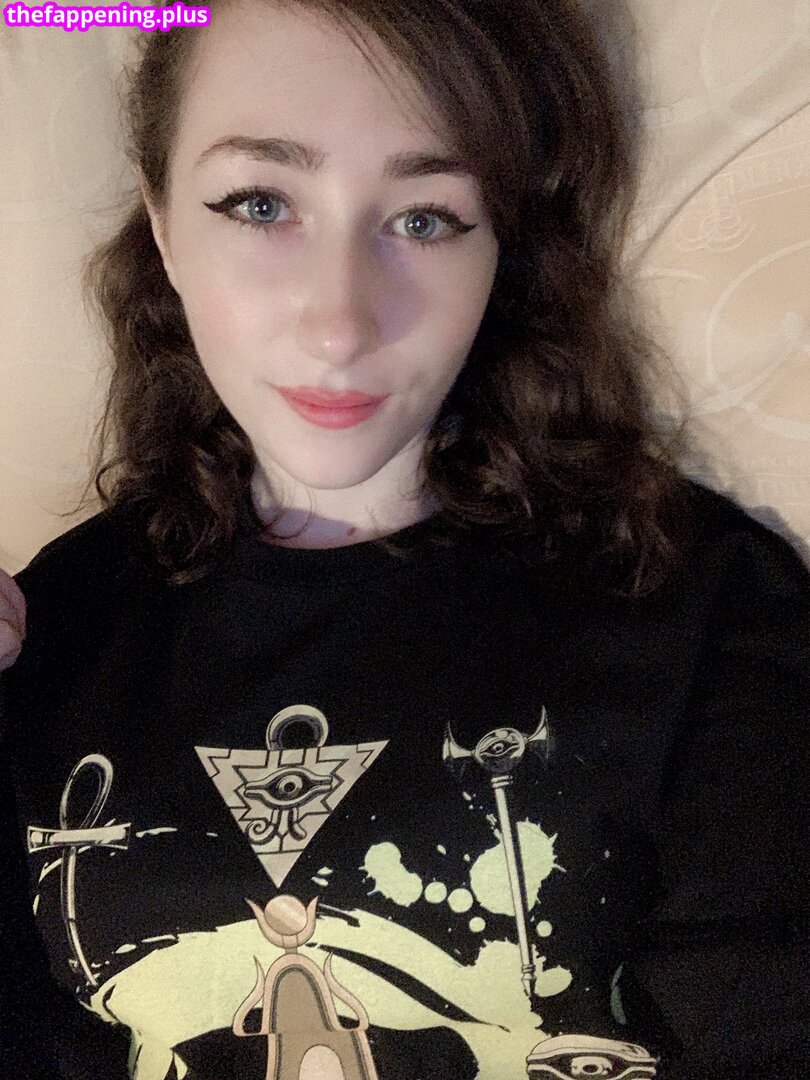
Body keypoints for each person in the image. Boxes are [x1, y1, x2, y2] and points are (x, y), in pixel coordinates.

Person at [1, 1, 807, 1078]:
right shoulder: (53, 631)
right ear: (162, 224)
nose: (341, 323)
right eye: (260, 204)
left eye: (426, 218)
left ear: (502, 246)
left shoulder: (699, 605)